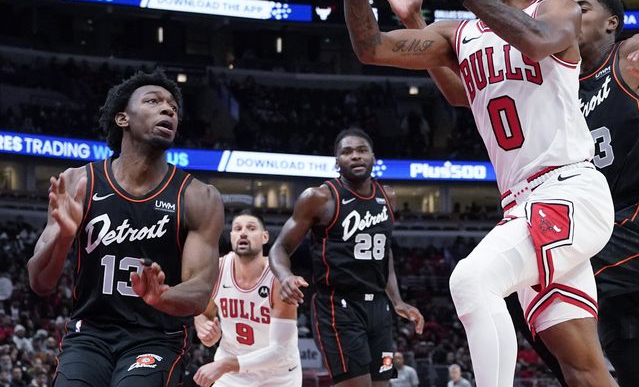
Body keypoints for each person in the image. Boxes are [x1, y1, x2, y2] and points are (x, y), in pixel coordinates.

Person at [342, 0, 616, 387]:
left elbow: (533, 40)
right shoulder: (458, 35)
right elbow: (371, 49)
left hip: (570, 192)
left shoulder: (556, 8)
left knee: (471, 280)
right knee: (583, 368)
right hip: (522, 206)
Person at [414, 0, 639, 387]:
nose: (569, 13)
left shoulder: (631, 54)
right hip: (580, 223)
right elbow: (458, 91)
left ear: (612, 22)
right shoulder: (549, 74)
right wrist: (414, 21)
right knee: (636, 375)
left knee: (530, 283)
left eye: (582, 7)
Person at [27, 70, 225, 387]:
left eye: (173, 106)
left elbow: (200, 292)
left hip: (157, 337)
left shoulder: (198, 197)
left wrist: (163, 296)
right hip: (90, 334)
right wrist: (64, 237)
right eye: (153, 101)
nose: (168, 110)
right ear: (123, 118)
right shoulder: (79, 182)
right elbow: (39, 282)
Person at [269, 128, 424, 387]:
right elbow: (280, 248)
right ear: (337, 162)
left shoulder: (388, 196)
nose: (356, 156)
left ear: (374, 157)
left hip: (378, 307)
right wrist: (285, 276)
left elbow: (385, 252)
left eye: (362, 150)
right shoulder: (319, 198)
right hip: (338, 306)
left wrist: (397, 300)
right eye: (347, 152)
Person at [193, 210, 301, 387]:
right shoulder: (217, 270)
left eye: (251, 228)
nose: (243, 232)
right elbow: (203, 313)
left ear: (265, 237)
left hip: (277, 374)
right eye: (237, 228)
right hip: (232, 374)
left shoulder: (279, 278)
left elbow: (280, 350)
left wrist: (225, 364)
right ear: (231, 236)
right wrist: (205, 330)